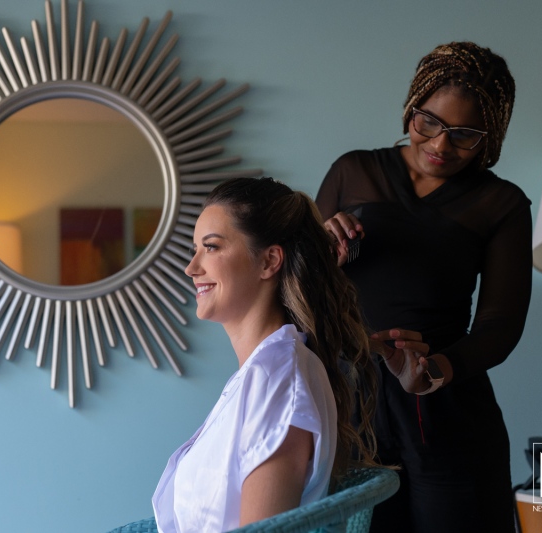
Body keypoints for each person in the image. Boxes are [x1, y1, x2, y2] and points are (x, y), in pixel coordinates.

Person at [316, 42, 531, 533]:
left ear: (490, 137)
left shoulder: (502, 205)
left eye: (465, 135)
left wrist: (433, 371)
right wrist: (322, 250)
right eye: (427, 121)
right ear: (412, 107)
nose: (439, 145)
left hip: (448, 407)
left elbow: (500, 324)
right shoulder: (353, 171)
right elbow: (297, 296)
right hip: (352, 408)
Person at [151, 177, 379, 533]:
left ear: (269, 261)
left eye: (211, 247)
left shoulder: (277, 378)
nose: (192, 268)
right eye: (195, 250)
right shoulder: (262, 372)